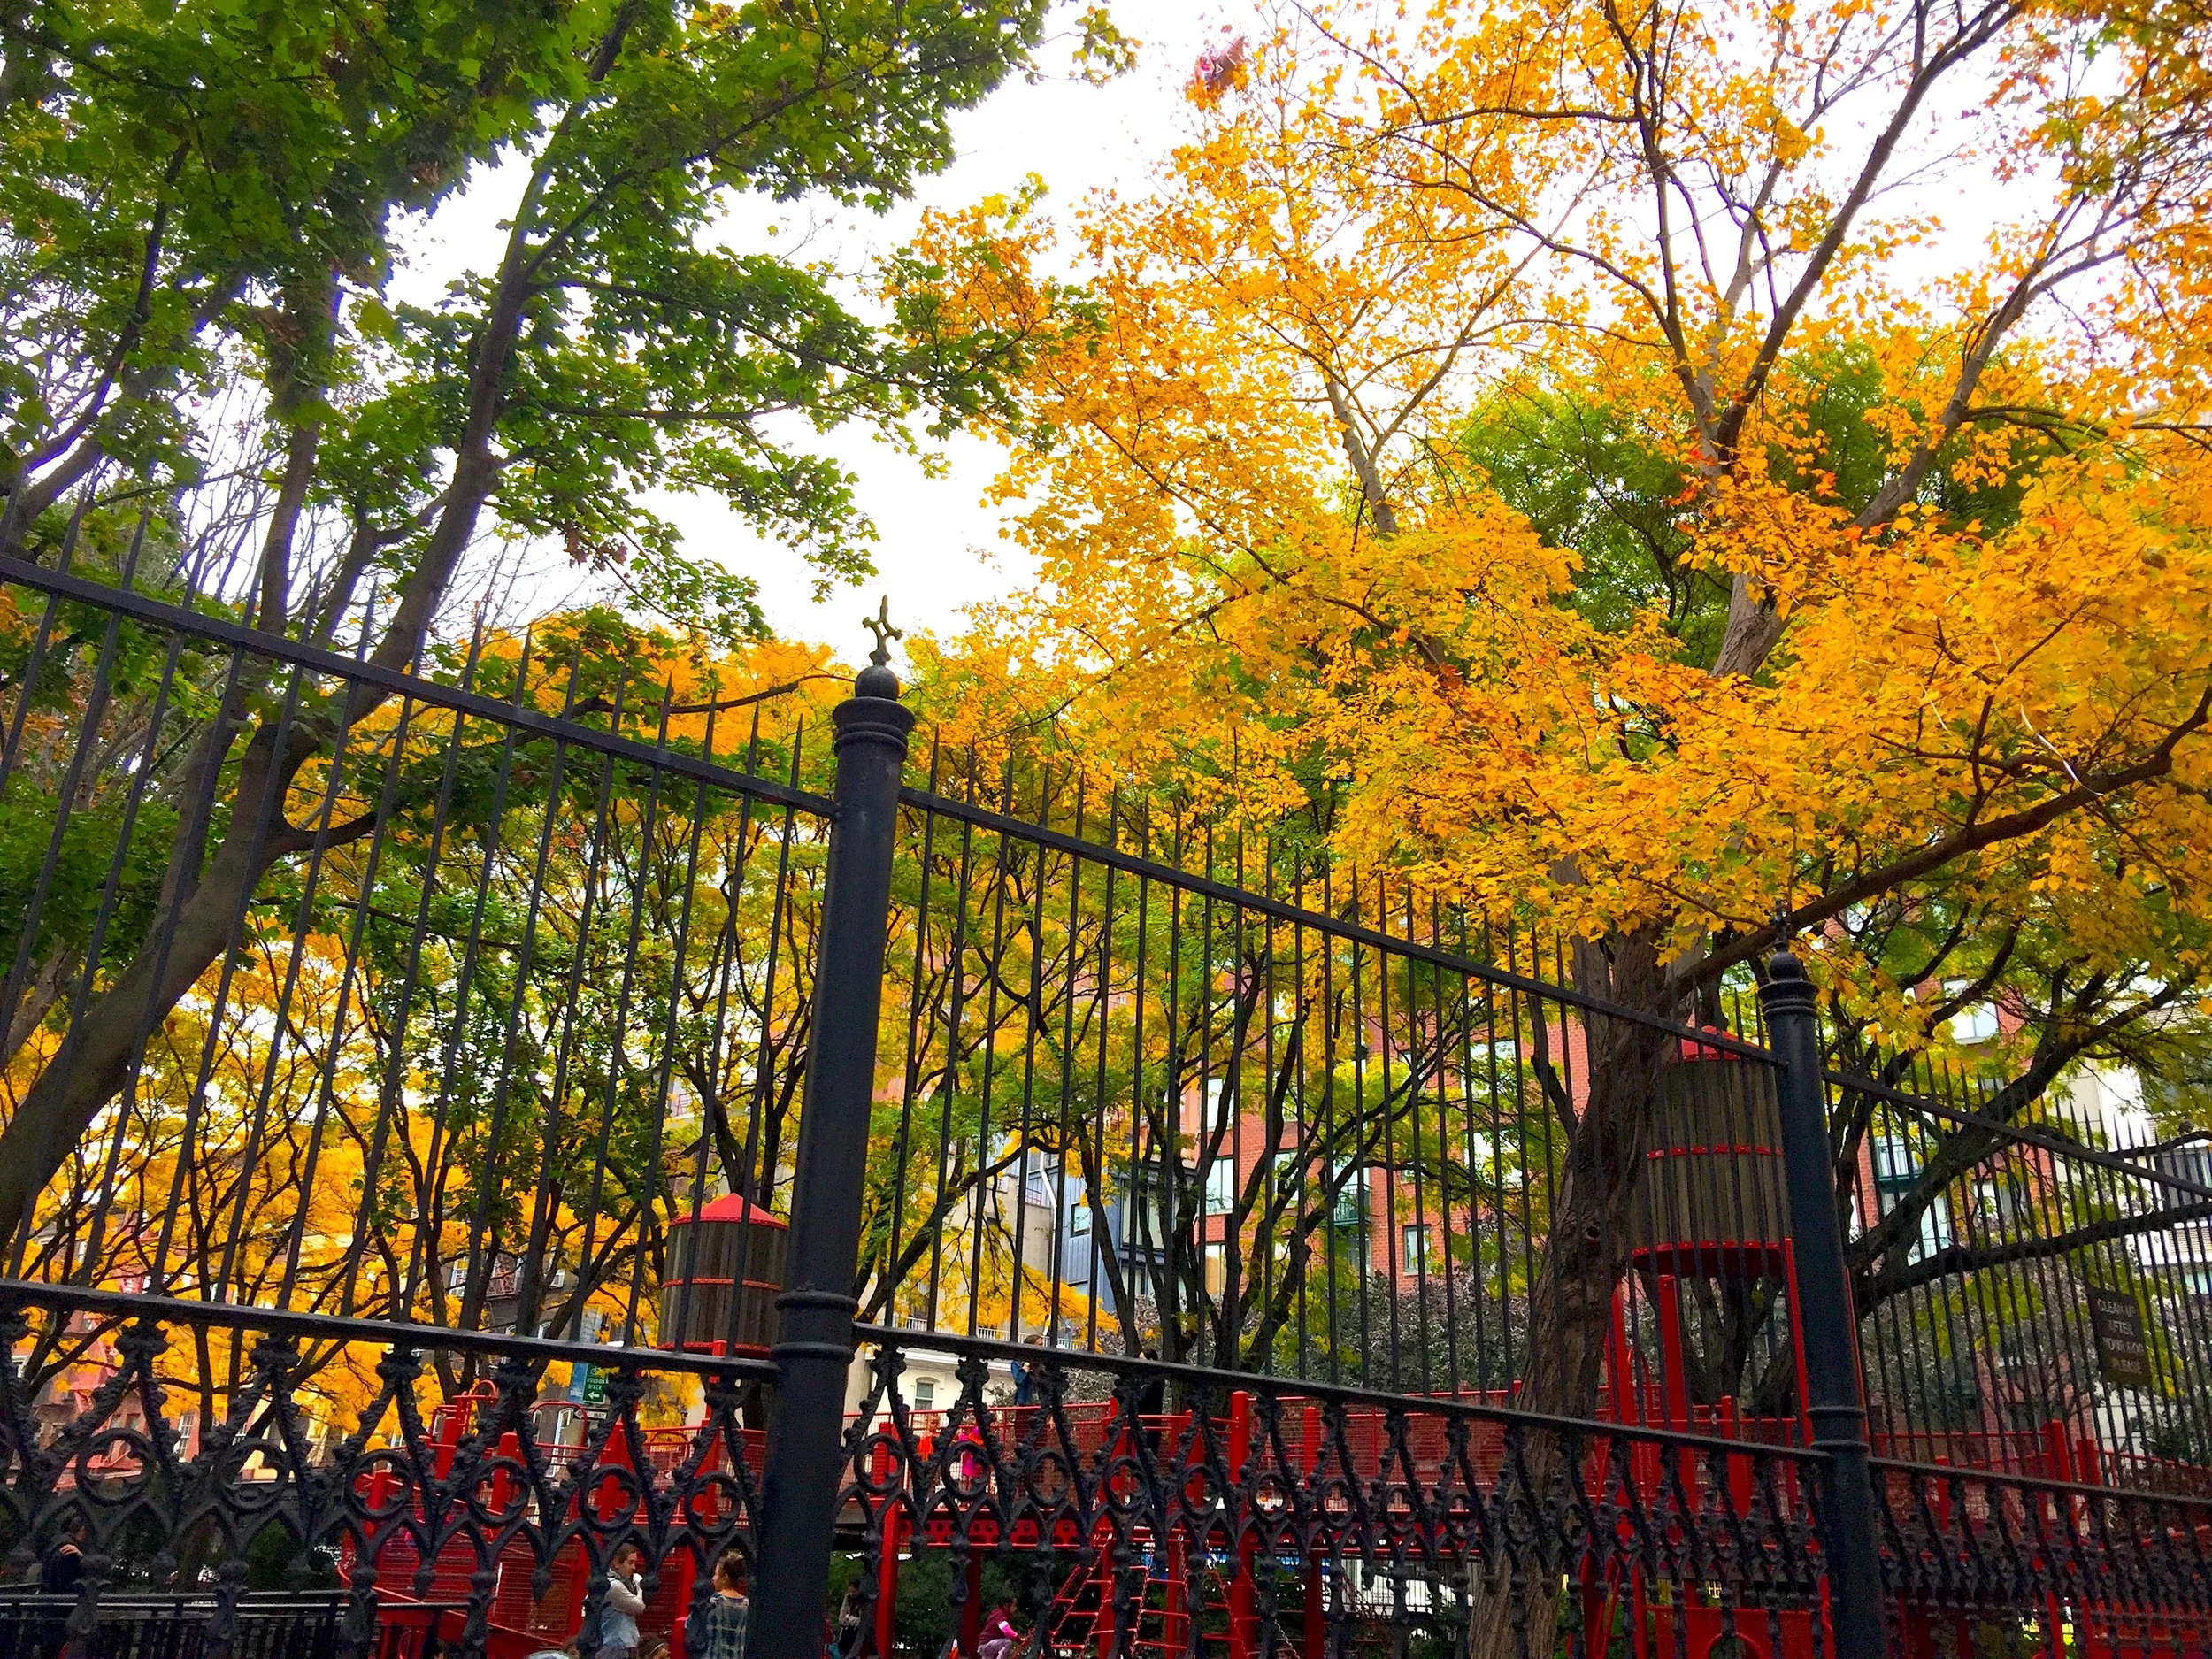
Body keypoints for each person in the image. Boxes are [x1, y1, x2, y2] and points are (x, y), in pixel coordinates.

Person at [687, 1551, 749, 1659]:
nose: (713, 1579)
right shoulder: (748, 1605)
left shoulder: (710, 1604)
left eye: (716, 1574)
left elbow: (690, 1629)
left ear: (725, 1577)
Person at [597, 1542, 649, 1659]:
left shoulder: (610, 1583)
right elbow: (639, 1606)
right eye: (630, 1562)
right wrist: (639, 1585)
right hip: (616, 1646)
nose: (633, 1568)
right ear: (616, 1563)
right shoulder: (614, 1586)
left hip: (621, 1644)